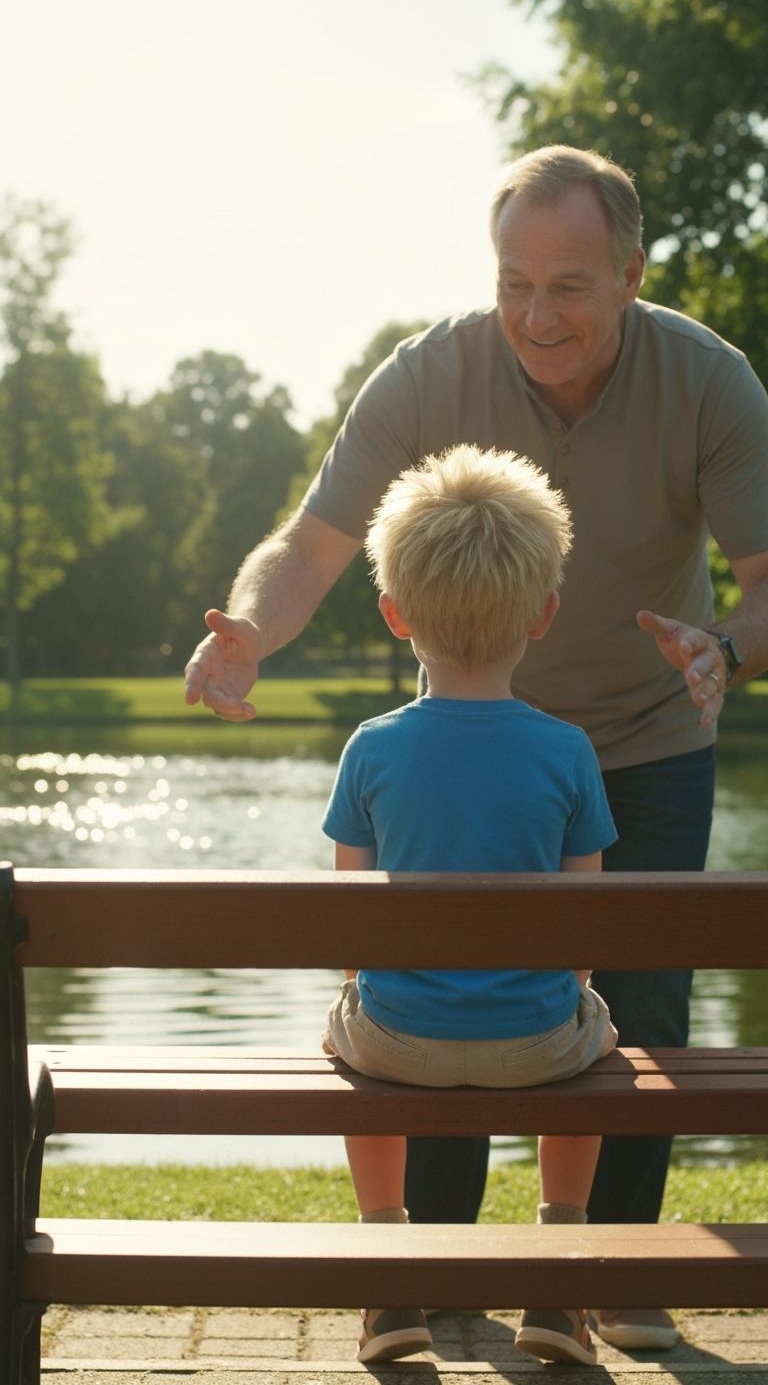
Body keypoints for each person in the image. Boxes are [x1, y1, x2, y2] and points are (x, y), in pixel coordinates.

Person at [184, 144, 768, 1351]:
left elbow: (767, 578)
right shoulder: (428, 372)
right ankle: (444, 1270)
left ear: (631, 275)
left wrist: (726, 649)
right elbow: (313, 540)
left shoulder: (708, 380)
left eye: (567, 285)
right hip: (467, 745)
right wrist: (247, 628)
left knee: (645, 1009)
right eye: (514, 284)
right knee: (443, 974)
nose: (535, 316)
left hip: (647, 736)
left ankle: (605, 1270)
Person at [321, 443, 618, 1366]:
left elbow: (349, 923)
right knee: (596, 1032)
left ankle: (391, 1278)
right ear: (545, 613)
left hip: (399, 1041)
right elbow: (586, 928)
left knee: (348, 1031)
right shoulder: (567, 751)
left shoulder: (371, 749)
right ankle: (557, 1285)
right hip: (535, 1045)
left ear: (394, 612)